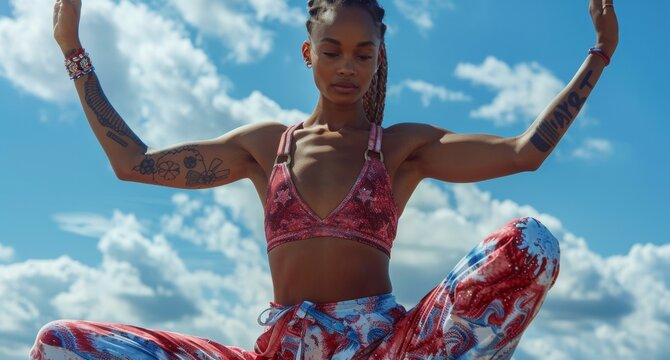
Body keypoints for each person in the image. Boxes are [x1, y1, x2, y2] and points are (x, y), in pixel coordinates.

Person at [33, 0, 618, 359]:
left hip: (389, 351)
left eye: (364, 55)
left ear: (378, 60)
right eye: (333, 51)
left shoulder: (398, 149)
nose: (348, 67)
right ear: (307, 53)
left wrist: (598, 55)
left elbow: (524, 152)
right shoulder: (266, 148)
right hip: (282, 352)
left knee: (531, 245)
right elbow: (133, 163)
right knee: (60, 343)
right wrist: (73, 50)